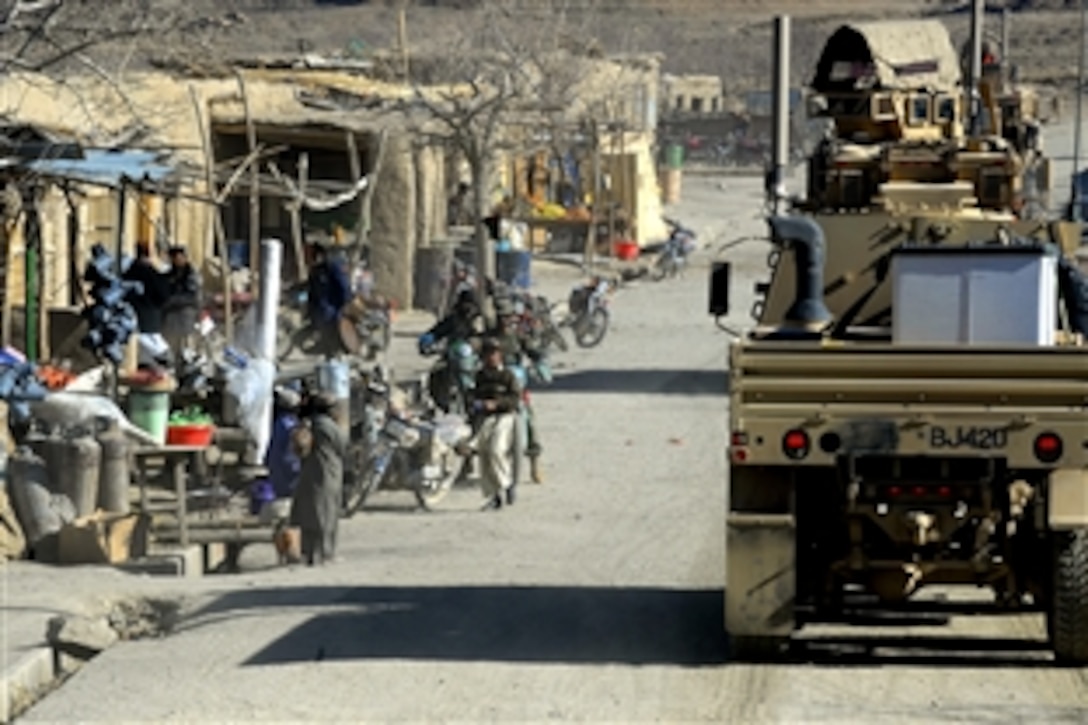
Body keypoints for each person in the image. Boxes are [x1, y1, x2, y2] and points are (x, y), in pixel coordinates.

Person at [491, 298, 546, 484]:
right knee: (476, 414)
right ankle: (467, 462)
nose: (504, 320)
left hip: (515, 384)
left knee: (530, 419)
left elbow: (531, 349)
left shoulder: (518, 336)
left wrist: (539, 360)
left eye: (507, 316)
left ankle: (534, 463)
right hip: (493, 384)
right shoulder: (489, 338)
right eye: (501, 316)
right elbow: (476, 348)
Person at [290, 392, 346, 565]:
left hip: (308, 473)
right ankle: (327, 554)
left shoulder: (307, 424)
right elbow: (343, 445)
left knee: (309, 513)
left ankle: (308, 553)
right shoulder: (328, 426)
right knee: (327, 514)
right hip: (328, 473)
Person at [471, 337, 522, 510]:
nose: (491, 357)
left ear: (500, 355)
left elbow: (515, 399)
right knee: (483, 452)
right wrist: (478, 404)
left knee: (496, 449)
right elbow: (475, 396)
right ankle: (493, 495)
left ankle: (507, 484)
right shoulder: (481, 376)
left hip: (506, 416)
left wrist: (497, 404)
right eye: (487, 354)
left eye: (494, 353)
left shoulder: (508, 375)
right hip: (486, 417)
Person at [122, 241, 171, 368]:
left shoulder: (128, 272)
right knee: (157, 353)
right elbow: (163, 295)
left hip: (133, 317)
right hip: (150, 318)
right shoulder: (153, 273)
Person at [306, 243, 351, 358]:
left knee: (331, 348)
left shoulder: (332, 267)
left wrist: (344, 305)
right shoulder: (316, 270)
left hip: (331, 312)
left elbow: (344, 287)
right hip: (319, 313)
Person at [161, 245, 201, 364]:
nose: (176, 260)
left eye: (178, 257)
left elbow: (192, 297)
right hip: (171, 317)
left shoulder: (191, 275)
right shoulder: (170, 275)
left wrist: (172, 300)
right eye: (173, 258)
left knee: (186, 348)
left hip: (186, 314)